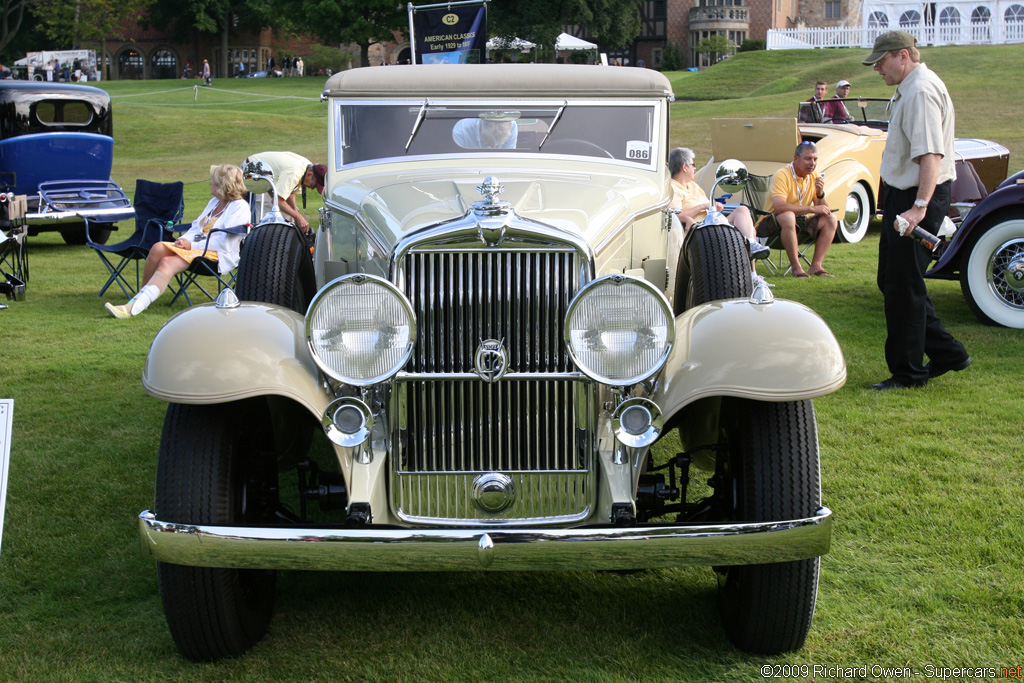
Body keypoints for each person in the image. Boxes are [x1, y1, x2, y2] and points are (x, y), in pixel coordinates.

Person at [862, 30, 971, 390]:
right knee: (892, 281)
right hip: (904, 196)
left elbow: (931, 156)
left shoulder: (921, 91)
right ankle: (948, 353)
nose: (878, 68)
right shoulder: (911, 87)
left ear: (904, 55)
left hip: (916, 198)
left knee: (904, 286)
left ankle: (908, 373)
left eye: (882, 61)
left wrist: (919, 208)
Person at [104, 165, 250, 319]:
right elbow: (197, 227)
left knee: (168, 262)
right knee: (157, 248)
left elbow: (225, 242)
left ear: (223, 185)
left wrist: (192, 245)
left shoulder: (240, 207)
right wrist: (184, 240)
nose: (210, 183)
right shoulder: (214, 202)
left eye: (213, 180)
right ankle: (140, 298)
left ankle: (130, 309)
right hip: (198, 248)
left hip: (218, 254)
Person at [668, 147, 769, 283]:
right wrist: (704, 206)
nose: (695, 168)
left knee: (743, 211)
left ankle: (751, 249)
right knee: (746, 226)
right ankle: (752, 271)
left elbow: (708, 205)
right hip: (702, 232)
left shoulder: (693, 186)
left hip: (714, 223)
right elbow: (675, 215)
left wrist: (715, 206)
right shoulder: (673, 188)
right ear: (684, 167)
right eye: (693, 164)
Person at [759, 141, 838, 277]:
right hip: (771, 225)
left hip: (800, 224)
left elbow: (824, 209)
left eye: (815, 159)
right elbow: (779, 207)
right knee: (789, 215)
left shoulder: (814, 176)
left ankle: (816, 266)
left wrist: (820, 193)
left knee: (831, 218)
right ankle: (796, 268)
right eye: (808, 159)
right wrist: (811, 209)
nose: (812, 163)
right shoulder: (782, 175)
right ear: (796, 158)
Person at [243, 151, 326, 232]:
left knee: (289, 216)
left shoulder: (307, 168)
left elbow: (290, 191)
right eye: (314, 185)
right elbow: (278, 200)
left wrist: (295, 211)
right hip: (254, 170)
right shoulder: (295, 173)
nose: (312, 188)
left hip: (269, 175)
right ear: (310, 174)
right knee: (266, 213)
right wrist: (298, 217)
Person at [452, 112, 519, 149]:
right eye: (489, 141)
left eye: (499, 143)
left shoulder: (512, 126)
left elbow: (507, 157)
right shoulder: (460, 132)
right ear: (481, 128)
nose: (493, 146)